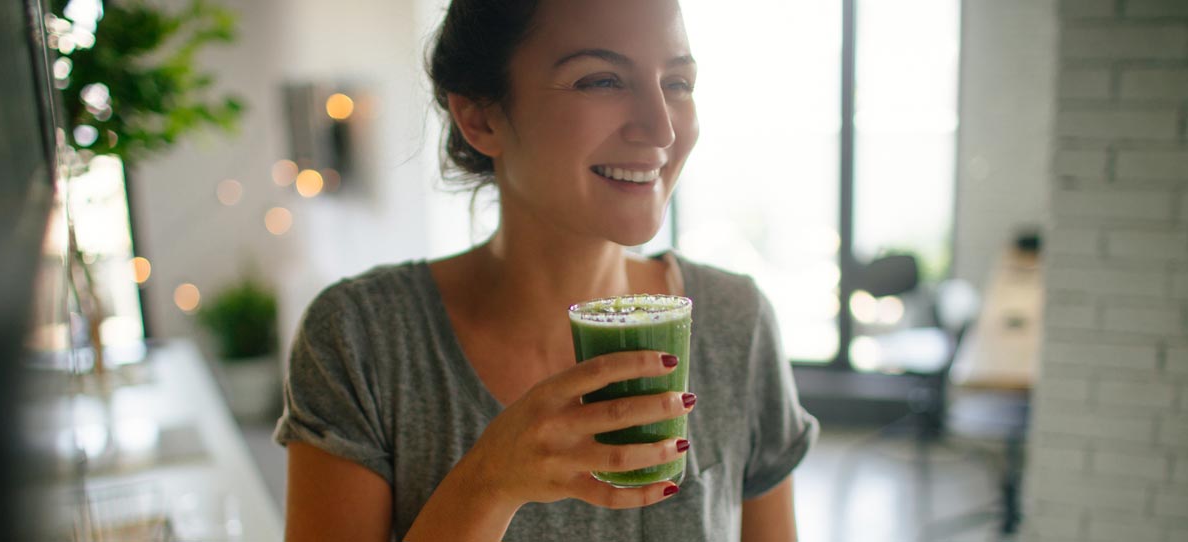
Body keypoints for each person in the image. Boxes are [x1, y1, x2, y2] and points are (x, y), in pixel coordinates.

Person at [274, 0, 818, 540]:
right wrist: (490, 482)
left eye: (677, 83)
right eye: (601, 80)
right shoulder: (361, 340)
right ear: (480, 118)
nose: (661, 129)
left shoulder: (734, 321)